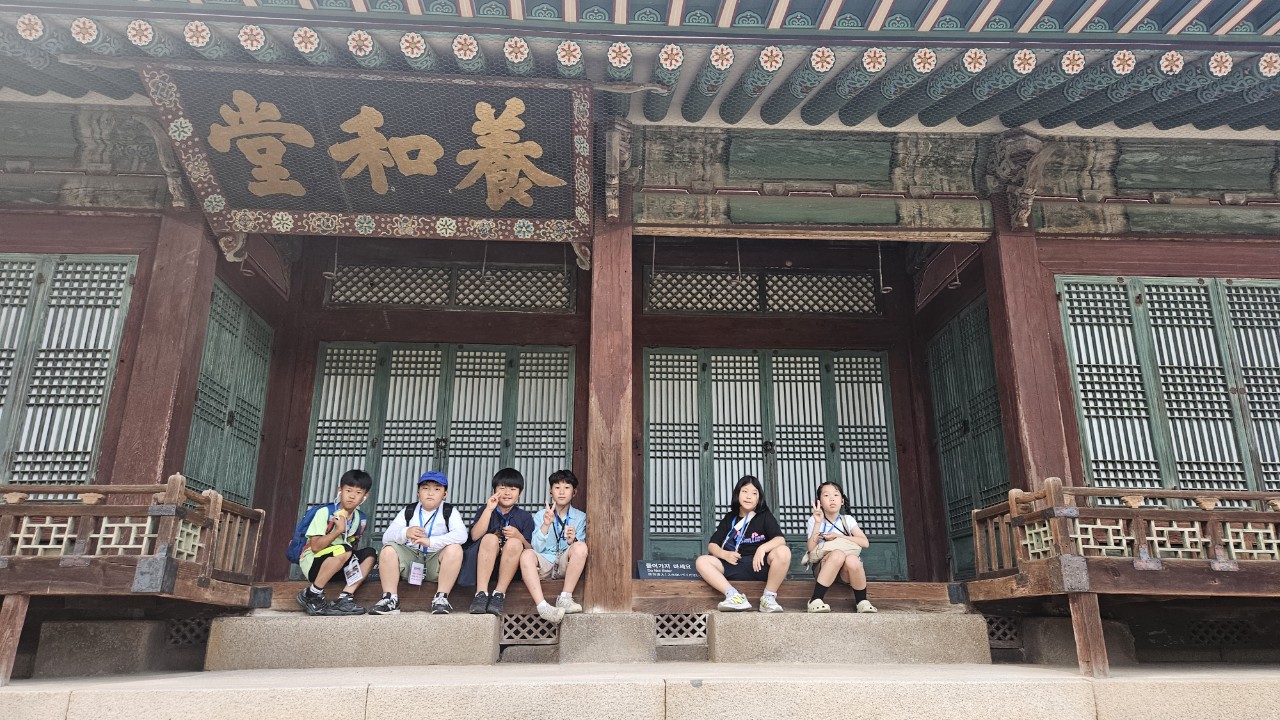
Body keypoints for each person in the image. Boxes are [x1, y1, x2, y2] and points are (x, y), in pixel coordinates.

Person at [369, 470, 467, 615]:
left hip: (436, 561)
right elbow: (387, 537)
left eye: (437, 489)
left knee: (455, 549)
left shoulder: (449, 511)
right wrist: (405, 532)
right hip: (411, 559)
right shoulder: (408, 511)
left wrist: (431, 542)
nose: (430, 493)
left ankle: (441, 598)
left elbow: (462, 535)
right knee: (388, 549)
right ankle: (390, 599)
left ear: (444, 494)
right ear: (418, 492)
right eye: (425, 488)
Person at [694, 475, 791, 612]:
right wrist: (724, 554)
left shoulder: (764, 516)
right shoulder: (730, 517)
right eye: (745, 491)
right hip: (734, 564)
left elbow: (780, 539)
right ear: (737, 494)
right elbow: (712, 545)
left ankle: (768, 599)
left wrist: (762, 549)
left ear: (759, 498)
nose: (749, 496)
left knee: (783, 551)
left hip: (759, 565)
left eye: (754, 493)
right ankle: (734, 597)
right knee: (702, 561)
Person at [295, 469, 377, 616]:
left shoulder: (360, 518)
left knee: (370, 554)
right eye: (348, 491)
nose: (352, 496)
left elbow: (353, 545)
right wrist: (338, 531)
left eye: (358, 493)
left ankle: (345, 598)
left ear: (365, 496)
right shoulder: (325, 512)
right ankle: (312, 594)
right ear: (340, 490)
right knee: (344, 549)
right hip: (314, 564)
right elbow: (315, 547)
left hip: (339, 564)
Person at [519, 469, 588, 624]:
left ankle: (565, 598)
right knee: (526, 554)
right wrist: (545, 525)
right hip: (546, 562)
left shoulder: (580, 517)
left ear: (574, 492)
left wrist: (573, 540)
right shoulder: (541, 515)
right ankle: (543, 607)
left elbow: (581, 550)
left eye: (567, 487)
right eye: (557, 487)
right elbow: (535, 547)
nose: (561, 492)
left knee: (581, 547)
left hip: (564, 564)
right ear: (551, 491)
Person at [466, 467, 535, 616]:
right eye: (502, 488)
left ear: (520, 493)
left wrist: (519, 536)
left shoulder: (525, 517)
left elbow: (530, 549)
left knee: (515, 543)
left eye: (513, 489)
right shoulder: (485, 510)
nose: (507, 493)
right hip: (483, 566)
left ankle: (499, 595)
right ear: (494, 490)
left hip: (511, 569)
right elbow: (475, 536)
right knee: (490, 538)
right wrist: (488, 509)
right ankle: (481, 594)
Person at [805, 480, 877, 614]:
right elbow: (810, 548)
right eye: (826, 495)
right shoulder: (814, 520)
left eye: (836, 495)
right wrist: (817, 523)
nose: (832, 499)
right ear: (820, 502)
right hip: (823, 567)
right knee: (837, 554)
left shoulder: (848, 520)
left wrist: (838, 536)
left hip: (845, 572)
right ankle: (815, 599)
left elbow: (864, 542)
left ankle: (862, 601)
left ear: (842, 501)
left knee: (853, 559)